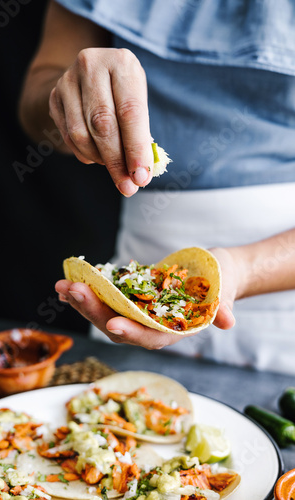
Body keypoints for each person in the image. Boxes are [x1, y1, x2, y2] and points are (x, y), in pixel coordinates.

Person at [18, 0, 295, 374]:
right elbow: (35, 106)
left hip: (281, 294)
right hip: (137, 273)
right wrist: (72, 101)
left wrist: (240, 269)